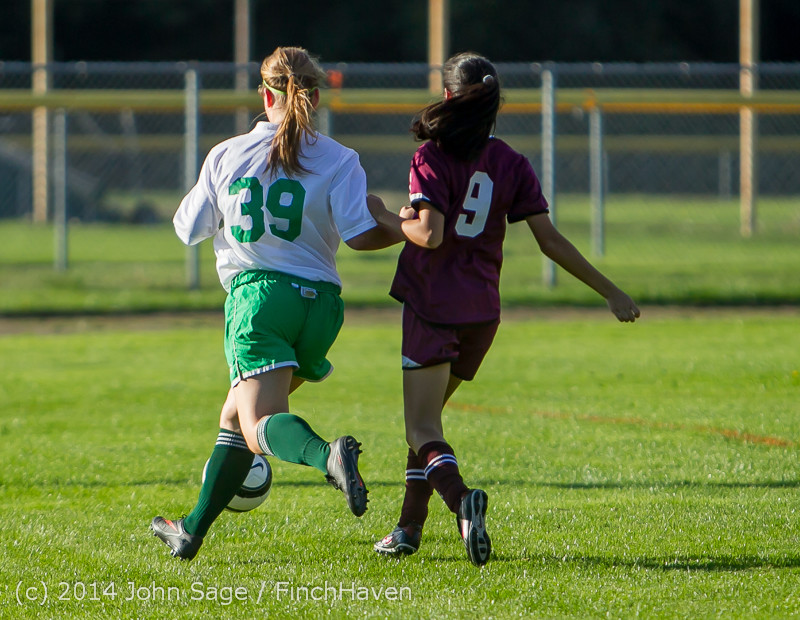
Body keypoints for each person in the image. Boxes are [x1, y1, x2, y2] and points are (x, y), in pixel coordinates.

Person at [373, 52, 640, 567]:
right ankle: (407, 528)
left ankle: (462, 503)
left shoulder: (432, 155)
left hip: (433, 306)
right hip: (481, 313)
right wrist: (610, 291)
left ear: (447, 96)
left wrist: (386, 216)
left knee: (420, 428)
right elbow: (550, 241)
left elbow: (429, 234)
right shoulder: (511, 162)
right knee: (428, 424)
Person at [150, 46, 404, 561]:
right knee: (234, 418)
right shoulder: (340, 157)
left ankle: (327, 455)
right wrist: (407, 230)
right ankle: (190, 530)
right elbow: (360, 237)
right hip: (322, 308)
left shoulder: (227, 154)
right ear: (316, 98)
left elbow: (188, 229)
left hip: (261, 301)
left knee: (257, 423)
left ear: (265, 95)